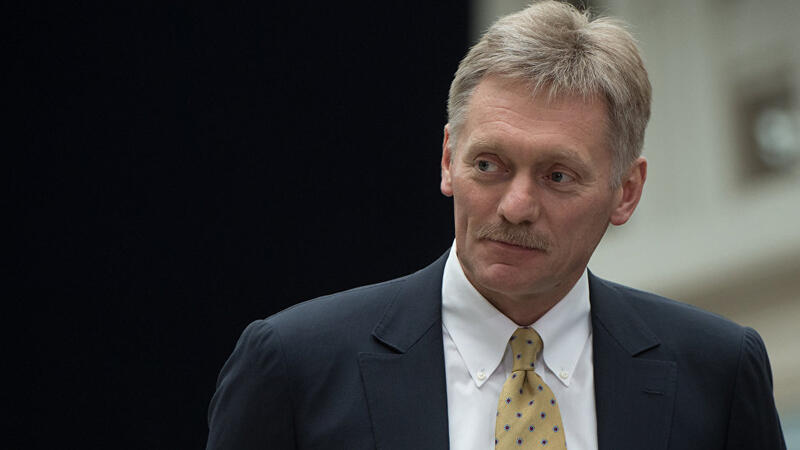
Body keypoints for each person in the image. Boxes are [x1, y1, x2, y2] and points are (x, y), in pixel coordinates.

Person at [206, 1, 786, 449]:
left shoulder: (716, 374)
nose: (516, 205)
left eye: (557, 176)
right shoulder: (295, 369)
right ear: (447, 160)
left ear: (626, 192)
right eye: (489, 165)